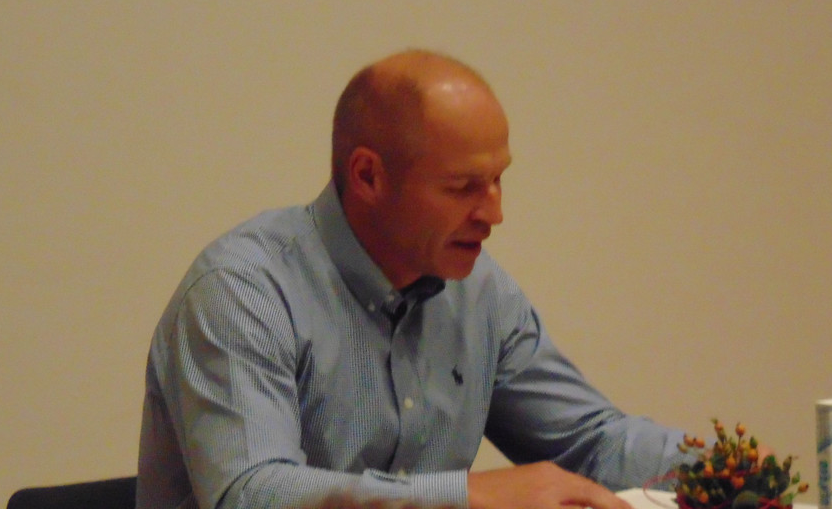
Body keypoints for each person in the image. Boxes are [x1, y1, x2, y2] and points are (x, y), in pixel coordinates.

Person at [136, 49, 690, 509]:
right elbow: (250, 494)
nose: (494, 214)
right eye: (462, 187)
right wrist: (468, 499)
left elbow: (590, 443)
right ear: (368, 176)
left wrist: (724, 471)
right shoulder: (243, 291)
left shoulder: (479, 293)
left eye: (498, 180)